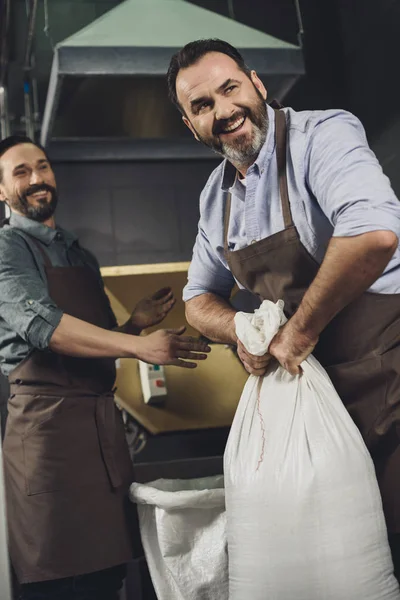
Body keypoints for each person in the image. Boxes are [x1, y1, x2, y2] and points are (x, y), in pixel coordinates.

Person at [167, 38, 400, 579]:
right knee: (332, 566)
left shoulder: (324, 135)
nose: (223, 111)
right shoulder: (215, 199)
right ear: (190, 125)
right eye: (202, 106)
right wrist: (245, 331)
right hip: (317, 416)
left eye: (230, 89)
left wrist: (296, 333)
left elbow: (373, 235)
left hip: (388, 380)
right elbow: (195, 301)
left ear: (258, 85)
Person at [0, 135, 210, 600]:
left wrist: (132, 327)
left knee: (108, 577)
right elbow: (45, 329)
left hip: (101, 438)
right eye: (21, 172)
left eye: (43, 166)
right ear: (1, 191)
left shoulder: (79, 254)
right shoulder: (8, 248)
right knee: (59, 581)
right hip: (46, 438)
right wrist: (140, 348)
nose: (37, 178)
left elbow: (89, 346)